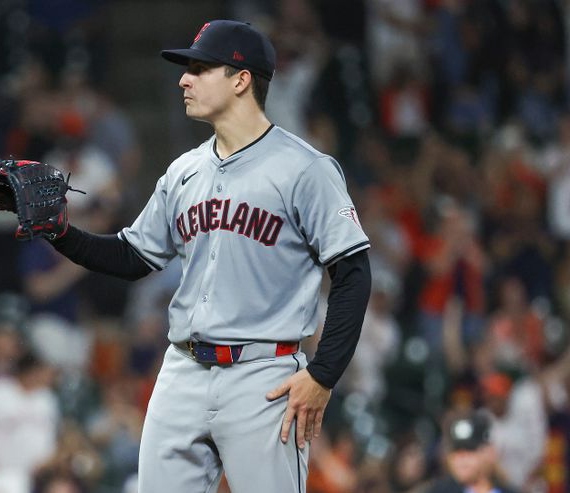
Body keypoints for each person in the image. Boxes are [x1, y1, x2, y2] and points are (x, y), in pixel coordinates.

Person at [44, 20, 371, 492]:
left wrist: (323, 375)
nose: (184, 79)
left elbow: (353, 274)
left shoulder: (306, 169)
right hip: (183, 369)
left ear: (241, 79)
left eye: (199, 68)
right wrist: (60, 233)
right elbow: (133, 256)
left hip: (263, 377)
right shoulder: (184, 171)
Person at [427, 411, 518, 493]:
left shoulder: (509, 490)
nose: (461, 459)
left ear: (489, 452)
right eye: (456, 451)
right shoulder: (438, 490)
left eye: (469, 450)